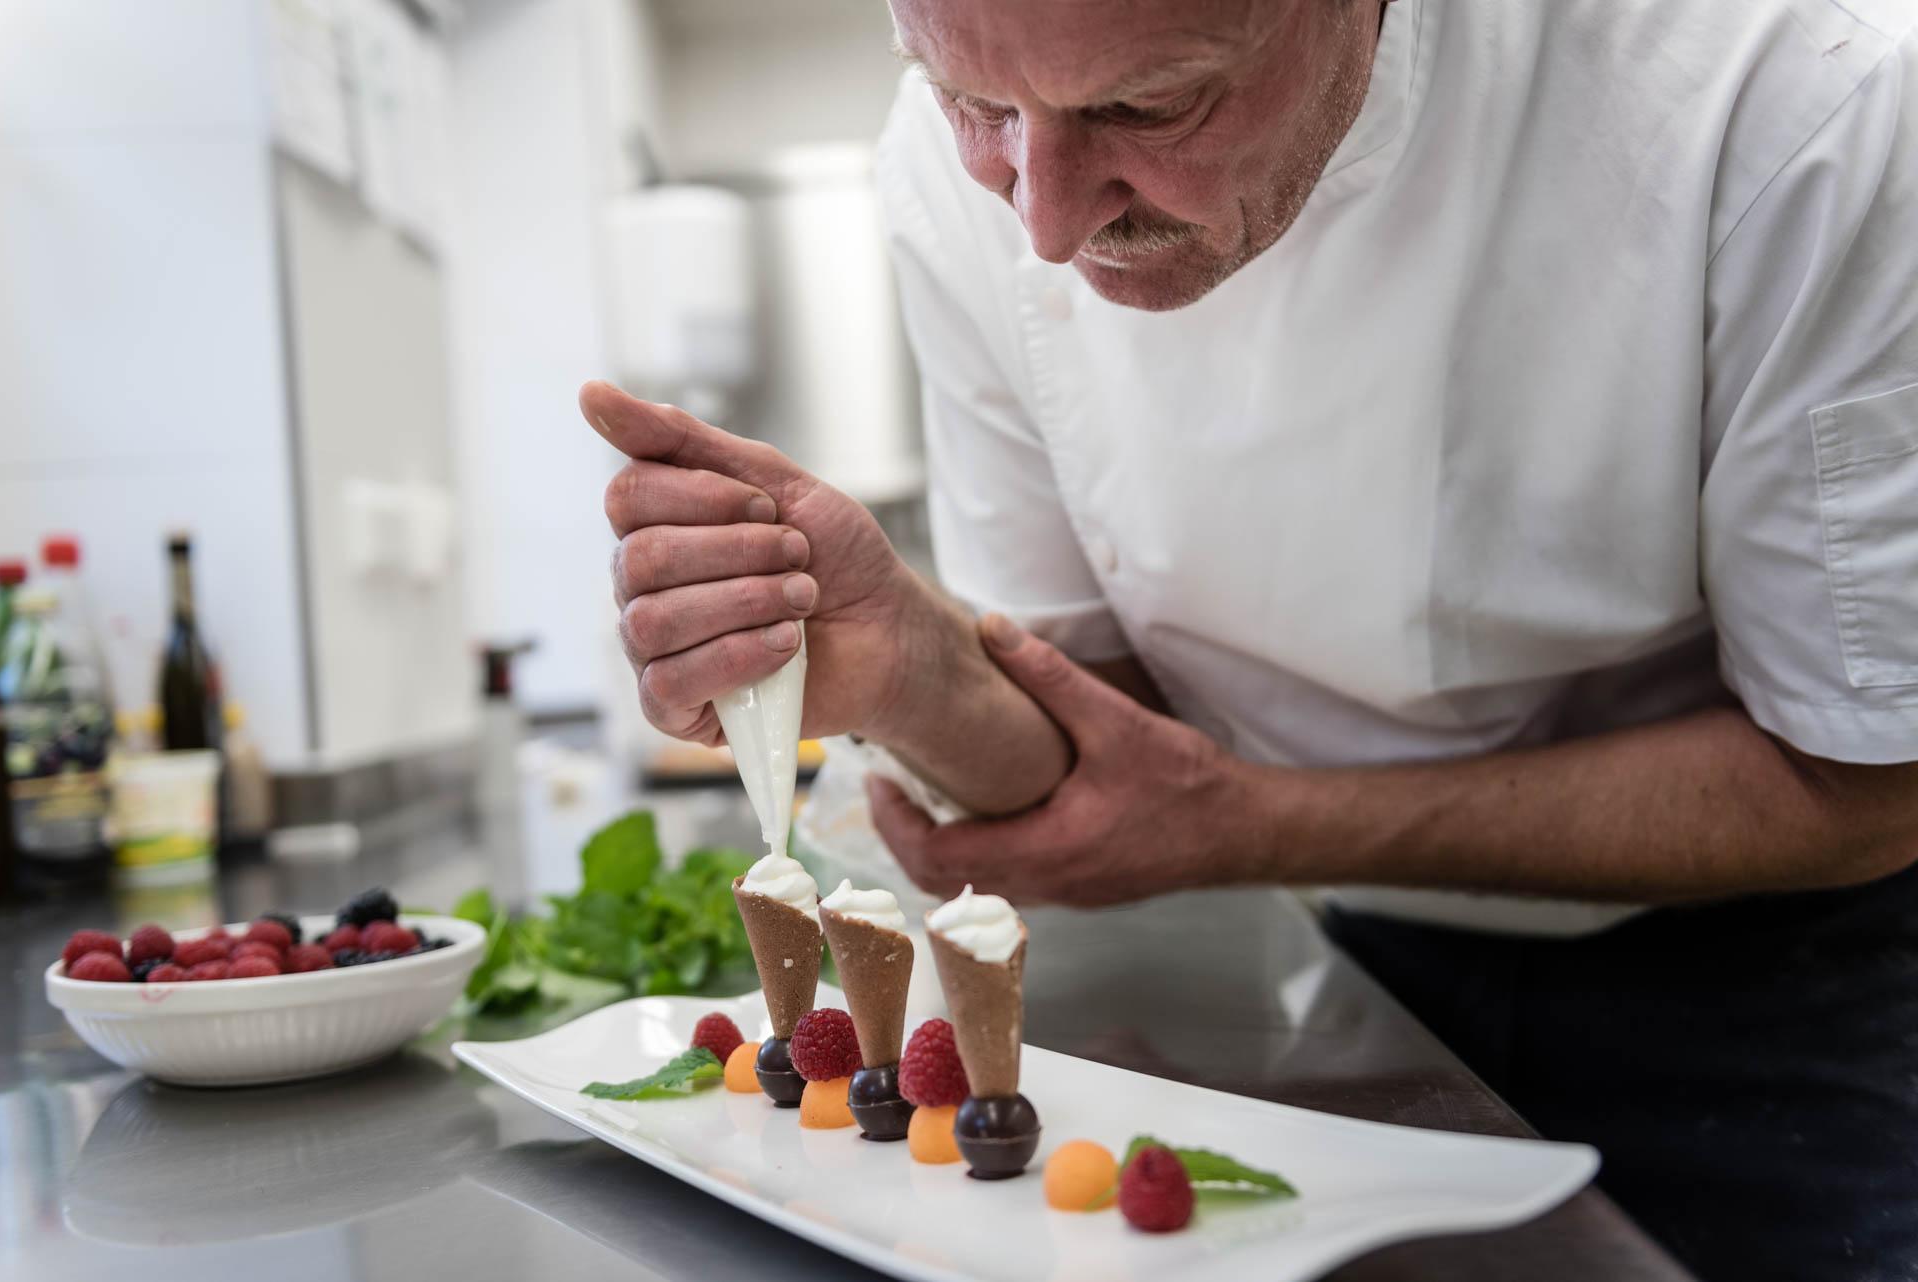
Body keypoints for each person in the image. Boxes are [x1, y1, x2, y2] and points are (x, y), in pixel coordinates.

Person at [584, 1, 1918, 1276]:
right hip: (1359, 968)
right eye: (972, 102)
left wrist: (1249, 825)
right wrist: (910, 666)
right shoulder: (947, 181)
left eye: (1148, 104)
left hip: (1780, 970)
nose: (1044, 221)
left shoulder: (1794, 100)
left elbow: (1861, 780)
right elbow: (1104, 747)